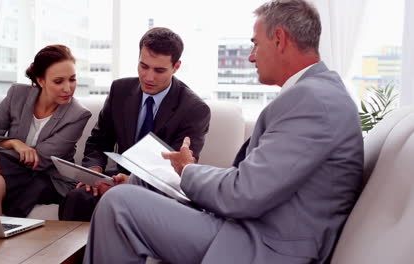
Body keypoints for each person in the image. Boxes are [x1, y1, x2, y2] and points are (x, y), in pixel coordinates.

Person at [83, 0, 364, 263]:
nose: (252, 56)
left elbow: (244, 193)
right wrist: (181, 173)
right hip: (253, 227)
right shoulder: (316, 93)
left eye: (255, 44)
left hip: (265, 245)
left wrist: (187, 171)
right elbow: (255, 183)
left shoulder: (314, 100)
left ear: (279, 39)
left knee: (119, 205)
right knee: (137, 185)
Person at [58, 27, 211, 221]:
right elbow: (99, 140)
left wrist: (132, 183)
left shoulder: (194, 109)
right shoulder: (120, 90)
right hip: (117, 178)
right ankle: (78, 253)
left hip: (160, 189)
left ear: (176, 66)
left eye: (159, 70)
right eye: (143, 66)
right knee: (78, 197)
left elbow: (178, 170)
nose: (148, 77)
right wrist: (94, 173)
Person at [0, 45, 92, 217]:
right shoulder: (17, 95)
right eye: (59, 81)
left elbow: (40, 159)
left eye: (72, 79)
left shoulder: (77, 114)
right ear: (41, 81)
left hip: (46, 179)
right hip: (11, 172)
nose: (68, 88)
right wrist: (13, 143)